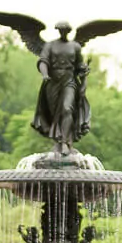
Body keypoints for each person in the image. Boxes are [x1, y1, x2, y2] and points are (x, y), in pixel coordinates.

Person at [31, 21, 90, 156]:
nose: (62, 32)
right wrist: (45, 74)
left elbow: (79, 64)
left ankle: (65, 143)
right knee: (53, 114)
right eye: (60, 30)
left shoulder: (74, 46)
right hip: (53, 82)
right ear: (58, 30)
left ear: (68, 31)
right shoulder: (50, 45)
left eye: (65, 30)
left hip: (69, 81)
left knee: (67, 108)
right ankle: (58, 141)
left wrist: (84, 69)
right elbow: (43, 61)